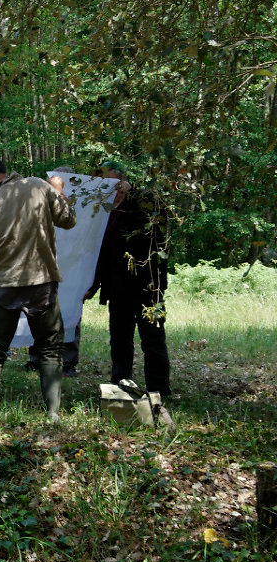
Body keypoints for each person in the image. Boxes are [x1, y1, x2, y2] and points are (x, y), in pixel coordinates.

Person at [0, 155, 76, 421]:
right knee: (50, 349)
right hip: (40, 282)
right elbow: (68, 219)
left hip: (2, 285)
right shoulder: (40, 187)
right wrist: (59, 191)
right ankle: (52, 412)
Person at [85, 160, 170, 395]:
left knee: (153, 337)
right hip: (117, 285)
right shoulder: (104, 211)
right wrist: (94, 285)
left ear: (122, 179)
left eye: (112, 181)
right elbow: (102, 252)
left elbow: (161, 216)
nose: (109, 187)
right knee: (120, 338)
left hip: (149, 285)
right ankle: (120, 385)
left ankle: (159, 388)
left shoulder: (142, 201)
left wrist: (131, 193)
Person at [24, 166, 82, 376]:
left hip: (72, 271)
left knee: (70, 316)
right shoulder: (37, 203)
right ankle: (36, 358)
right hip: (43, 271)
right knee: (38, 315)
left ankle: (67, 362)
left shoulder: (76, 207)